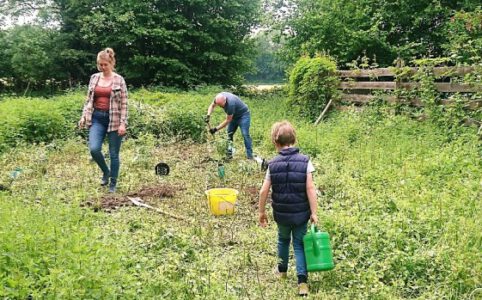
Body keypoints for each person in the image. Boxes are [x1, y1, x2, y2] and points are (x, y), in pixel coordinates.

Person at [258, 121, 318, 297]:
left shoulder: (272, 164)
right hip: (301, 215)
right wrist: (314, 213)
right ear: (294, 139)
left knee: (283, 241)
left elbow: (263, 191)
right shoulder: (305, 161)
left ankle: (282, 272)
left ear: (275, 142)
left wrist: (261, 212)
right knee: (299, 245)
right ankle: (302, 283)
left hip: (281, 215)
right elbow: (310, 189)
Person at [78, 48, 128, 193]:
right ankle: (106, 172)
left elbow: (124, 103)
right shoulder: (94, 78)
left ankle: (113, 183)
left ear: (111, 63)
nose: (102, 67)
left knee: (113, 153)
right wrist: (83, 116)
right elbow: (88, 100)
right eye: (100, 64)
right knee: (94, 149)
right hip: (97, 118)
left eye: (105, 64)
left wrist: (123, 123)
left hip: (115, 119)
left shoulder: (119, 80)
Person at [204, 92, 253, 159]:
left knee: (245, 134)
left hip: (243, 116)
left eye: (222, 105)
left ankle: (250, 156)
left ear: (225, 100)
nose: (221, 107)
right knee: (229, 134)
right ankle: (229, 154)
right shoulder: (218, 98)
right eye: (219, 105)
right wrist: (208, 115)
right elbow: (212, 105)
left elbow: (228, 120)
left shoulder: (231, 104)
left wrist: (215, 129)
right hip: (233, 116)